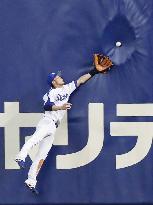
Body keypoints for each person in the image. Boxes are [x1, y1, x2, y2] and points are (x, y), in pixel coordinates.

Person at [15, 54, 112, 194]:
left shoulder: (66, 88)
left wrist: (95, 71)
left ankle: (31, 180)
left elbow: (80, 81)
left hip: (53, 127)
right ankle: (20, 156)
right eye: (58, 77)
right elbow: (47, 106)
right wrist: (60, 107)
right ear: (54, 82)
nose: (61, 77)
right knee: (35, 139)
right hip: (47, 122)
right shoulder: (51, 93)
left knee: (42, 154)